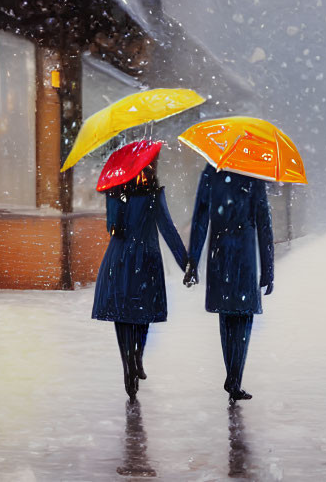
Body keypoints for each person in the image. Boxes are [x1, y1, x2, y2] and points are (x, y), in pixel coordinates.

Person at [92, 154, 187, 399]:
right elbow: (165, 229)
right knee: (136, 314)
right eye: (152, 162)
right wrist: (185, 262)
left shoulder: (122, 191)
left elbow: (115, 227)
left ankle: (132, 362)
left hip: (126, 259)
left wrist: (117, 199)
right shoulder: (151, 194)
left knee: (128, 315)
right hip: (141, 259)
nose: (154, 166)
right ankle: (133, 359)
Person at [184, 164, 275, 402]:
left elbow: (200, 218)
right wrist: (268, 269)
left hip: (219, 252)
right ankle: (234, 378)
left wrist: (193, 259)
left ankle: (232, 377)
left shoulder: (211, 171)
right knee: (243, 317)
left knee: (226, 316)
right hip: (244, 253)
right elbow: (264, 222)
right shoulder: (253, 174)